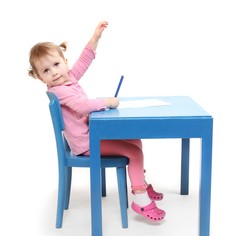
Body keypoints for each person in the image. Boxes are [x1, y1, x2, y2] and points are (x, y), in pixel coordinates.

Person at [28, 21, 166, 222]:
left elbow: (84, 61)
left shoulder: (69, 79)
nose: (54, 72)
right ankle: (141, 200)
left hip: (91, 137)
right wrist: (106, 102)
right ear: (41, 78)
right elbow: (82, 105)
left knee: (135, 139)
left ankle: (140, 184)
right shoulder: (59, 90)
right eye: (46, 71)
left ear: (65, 62)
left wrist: (95, 38)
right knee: (134, 152)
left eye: (56, 65)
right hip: (86, 144)